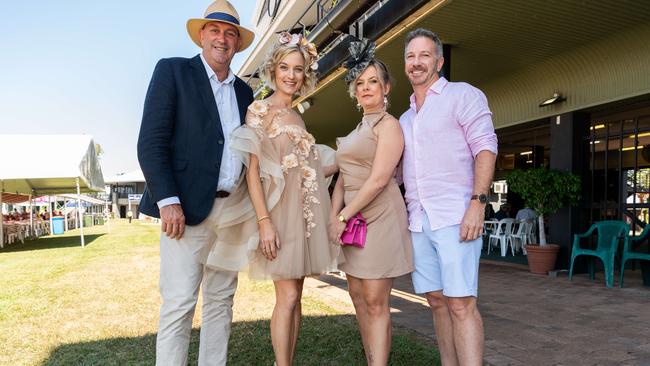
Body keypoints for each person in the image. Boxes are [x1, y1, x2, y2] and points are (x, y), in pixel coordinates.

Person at [206, 32, 339, 366]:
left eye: (298, 69)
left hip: (304, 215)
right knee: (288, 295)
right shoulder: (259, 111)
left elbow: (304, 168)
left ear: (305, 74)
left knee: (298, 297)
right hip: (277, 216)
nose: (291, 75)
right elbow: (253, 173)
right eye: (284, 67)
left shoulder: (298, 116)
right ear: (273, 70)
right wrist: (264, 223)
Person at [136, 1, 255, 365]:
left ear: (237, 42)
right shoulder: (173, 72)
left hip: (232, 212)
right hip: (184, 210)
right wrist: (167, 200)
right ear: (202, 35)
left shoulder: (244, 93)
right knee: (179, 302)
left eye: (230, 32)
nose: (222, 38)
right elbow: (151, 142)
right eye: (215, 30)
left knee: (221, 301)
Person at [399, 29, 498, 366]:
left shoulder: (462, 95)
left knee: (460, 303)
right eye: (411, 57)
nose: (417, 62)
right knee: (437, 301)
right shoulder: (405, 118)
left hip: (456, 216)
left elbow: (486, 147)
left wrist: (477, 203)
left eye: (424, 55)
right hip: (419, 220)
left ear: (439, 61)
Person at [330, 39, 413, 366]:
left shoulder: (389, 126)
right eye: (360, 83)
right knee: (358, 297)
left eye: (373, 82)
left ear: (386, 87)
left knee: (377, 302)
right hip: (353, 222)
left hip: (379, 218)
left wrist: (342, 216)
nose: (365, 88)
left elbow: (379, 179)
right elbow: (342, 175)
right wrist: (334, 214)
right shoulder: (358, 128)